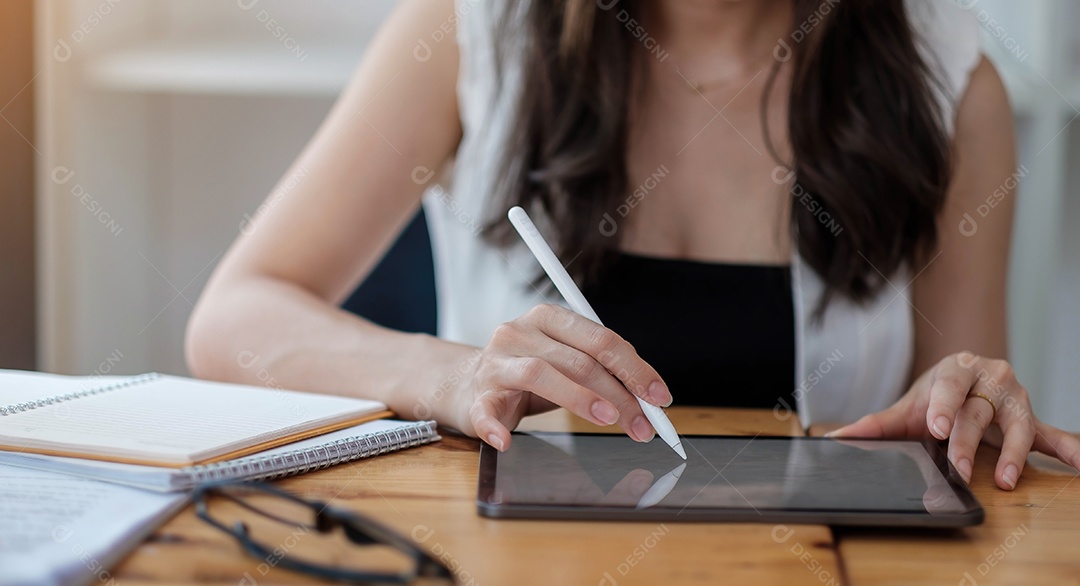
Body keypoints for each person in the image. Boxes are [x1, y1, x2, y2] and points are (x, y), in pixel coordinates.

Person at [187, 0, 1079, 491]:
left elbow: (949, 404)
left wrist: (957, 404)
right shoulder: (470, 32)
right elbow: (235, 317)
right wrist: (448, 377)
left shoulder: (950, 81)